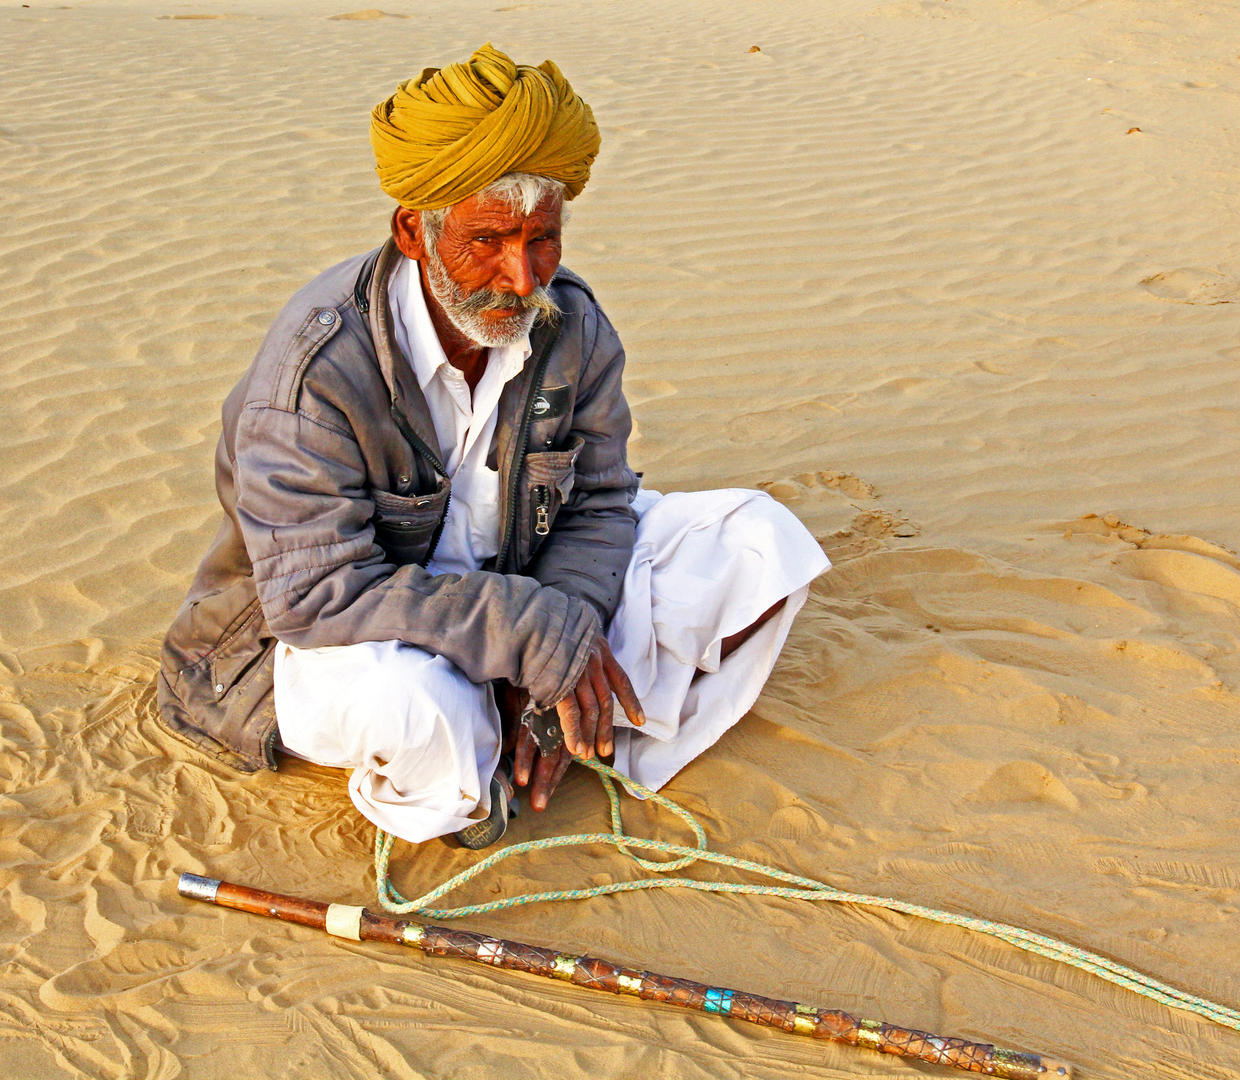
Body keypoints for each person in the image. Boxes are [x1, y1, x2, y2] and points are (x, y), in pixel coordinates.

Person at [158, 43, 829, 848]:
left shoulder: (571, 325)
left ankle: (555, 724)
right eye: (488, 241)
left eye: (541, 237)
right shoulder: (315, 377)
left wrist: (565, 626)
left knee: (759, 542)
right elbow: (317, 597)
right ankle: (508, 744)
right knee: (413, 711)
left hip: (517, 584)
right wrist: (526, 630)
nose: (522, 276)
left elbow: (601, 500)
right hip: (335, 639)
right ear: (414, 231)